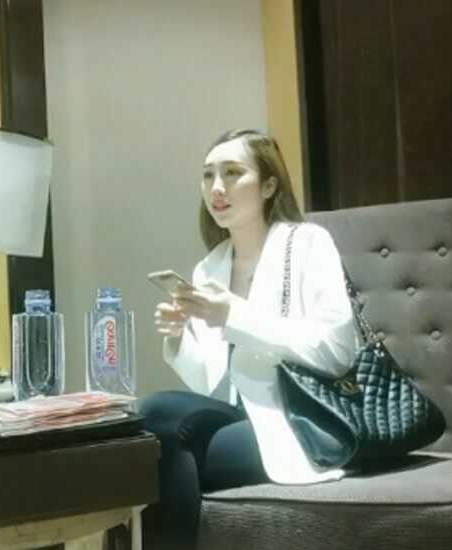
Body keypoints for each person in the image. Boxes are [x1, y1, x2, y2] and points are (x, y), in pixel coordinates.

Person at [141, 129, 357, 549]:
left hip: (302, 418)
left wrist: (234, 316)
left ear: (269, 185)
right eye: (208, 175)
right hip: (242, 417)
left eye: (232, 173)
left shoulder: (308, 243)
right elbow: (209, 382)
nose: (216, 188)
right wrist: (180, 336)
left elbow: (337, 351)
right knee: (153, 412)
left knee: (163, 456)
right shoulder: (210, 267)